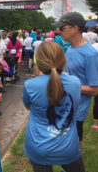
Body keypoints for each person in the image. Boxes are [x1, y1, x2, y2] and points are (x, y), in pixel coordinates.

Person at [23, 42, 84, 172]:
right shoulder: (75, 83)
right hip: (69, 146)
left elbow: (29, 108)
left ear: (38, 62)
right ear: (63, 60)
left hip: (39, 146)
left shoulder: (30, 85)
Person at [52, 12, 98, 149]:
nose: (58, 31)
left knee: (75, 150)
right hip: (65, 108)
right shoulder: (71, 49)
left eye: (62, 28)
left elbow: (96, 90)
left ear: (75, 28)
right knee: (66, 148)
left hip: (76, 112)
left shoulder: (90, 55)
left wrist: (65, 84)